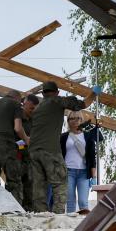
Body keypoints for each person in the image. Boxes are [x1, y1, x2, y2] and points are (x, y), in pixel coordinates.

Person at [27, 81, 94, 214]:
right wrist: (93, 94)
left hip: (34, 152)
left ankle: (41, 215)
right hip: (50, 150)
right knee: (60, 183)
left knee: (39, 186)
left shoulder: (38, 108)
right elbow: (82, 105)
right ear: (57, 92)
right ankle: (58, 217)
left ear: (42, 93)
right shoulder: (57, 101)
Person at [60, 110, 100, 215]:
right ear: (68, 121)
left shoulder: (88, 136)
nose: (75, 121)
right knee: (70, 202)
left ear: (82, 120)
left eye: (78, 118)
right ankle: (70, 226)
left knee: (83, 202)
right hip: (68, 172)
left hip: (84, 173)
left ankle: (85, 227)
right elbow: (59, 155)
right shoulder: (64, 137)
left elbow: (92, 157)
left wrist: (94, 176)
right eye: (72, 118)